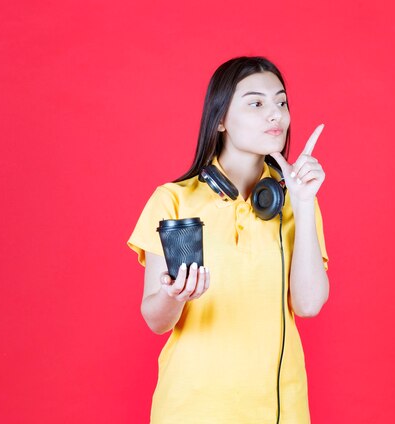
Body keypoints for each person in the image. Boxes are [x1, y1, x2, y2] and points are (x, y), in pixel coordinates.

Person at [127, 56, 330, 423]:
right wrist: (174, 296)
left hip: (280, 408)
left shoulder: (294, 201)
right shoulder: (173, 200)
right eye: (256, 103)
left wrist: (302, 203)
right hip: (192, 409)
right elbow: (156, 321)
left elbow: (309, 304)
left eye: (281, 102)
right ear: (220, 119)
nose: (276, 115)